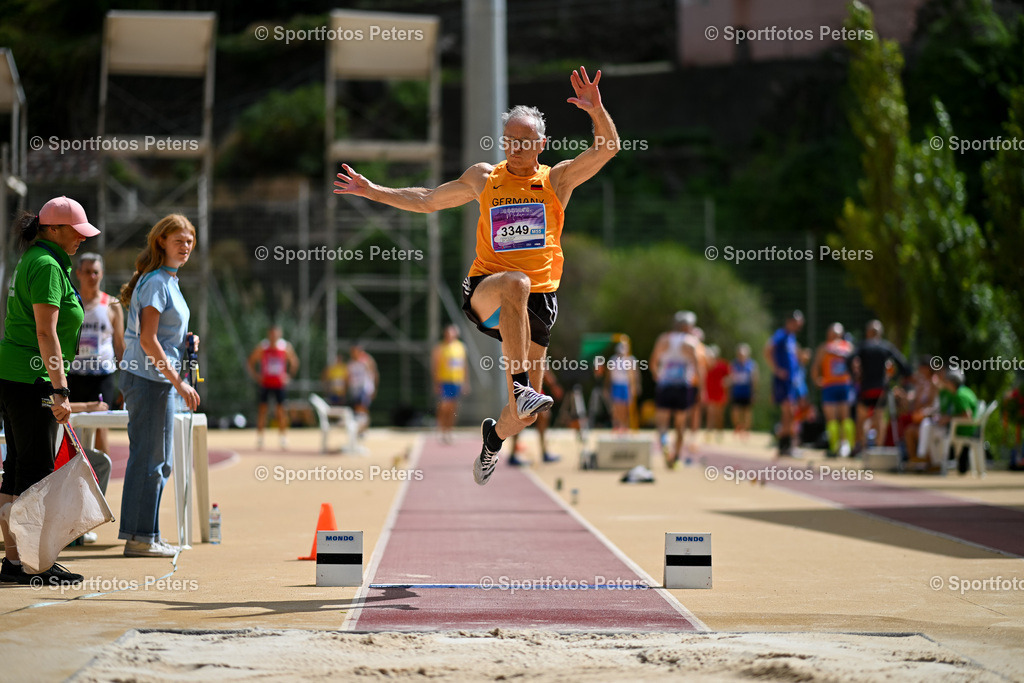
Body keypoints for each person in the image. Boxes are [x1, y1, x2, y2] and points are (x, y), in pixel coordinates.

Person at [335, 66, 619, 485]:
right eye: (509, 141)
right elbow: (429, 200)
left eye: (524, 142)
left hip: (540, 303)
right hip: (487, 290)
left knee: (522, 416)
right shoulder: (485, 178)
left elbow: (607, 147)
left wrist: (596, 110)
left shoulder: (557, 180)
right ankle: (520, 385)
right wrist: (374, 190)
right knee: (514, 284)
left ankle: (493, 438)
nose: (516, 148)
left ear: (541, 144)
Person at [0, 196, 99, 585]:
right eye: (76, 231)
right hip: (32, 377)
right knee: (38, 472)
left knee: (19, 469)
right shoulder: (46, 265)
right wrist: (60, 388)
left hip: (16, 375)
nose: (82, 239)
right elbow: (46, 332)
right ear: (54, 229)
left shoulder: (37, 260)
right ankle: (33, 564)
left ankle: (15, 560)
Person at [118, 214, 200, 558]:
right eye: (179, 240)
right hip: (149, 378)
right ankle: (139, 538)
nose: (186, 247)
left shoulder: (168, 280)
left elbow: (161, 336)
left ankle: (146, 534)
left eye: (190, 242)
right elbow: (149, 341)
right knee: (150, 460)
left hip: (155, 378)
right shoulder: (155, 282)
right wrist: (180, 383)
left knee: (158, 460)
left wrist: (185, 341)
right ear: (161, 242)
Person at [67, 252, 125, 455]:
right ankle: (74, 482)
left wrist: (126, 381)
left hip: (102, 377)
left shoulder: (112, 304)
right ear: (78, 274)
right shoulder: (69, 302)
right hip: (73, 375)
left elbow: (119, 345)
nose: (92, 276)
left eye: (96, 272)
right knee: (70, 429)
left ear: (101, 275)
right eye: (87, 272)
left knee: (101, 428)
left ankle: (101, 481)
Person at [650, 311, 704, 468]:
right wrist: (700, 389)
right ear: (687, 326)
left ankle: (665, 446)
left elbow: (653, 362)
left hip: (665, 385)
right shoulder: (691, 342)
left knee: (662, 423)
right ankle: (677, 456)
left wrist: (658, 376)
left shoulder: (663, 340)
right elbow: (697, 367)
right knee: (680, 425)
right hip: (683, 386)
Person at [847, 320, 909, 452]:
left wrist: (854, 376)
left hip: (866, 388)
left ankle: (862, 448)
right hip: (881, 389)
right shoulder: (886, 347)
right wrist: (896, 379)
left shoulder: (862, 346)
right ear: (880, 333)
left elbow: (849, 359)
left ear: (868, 332)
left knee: (862, 418)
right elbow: (903, 365)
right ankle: (879, 448)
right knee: (880, 418)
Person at [248, 325, 300, 450]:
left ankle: (283, 438)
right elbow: (251, 361)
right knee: (262, 411)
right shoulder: (263, 347)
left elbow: (294, 362)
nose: (273, 336)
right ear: (268, 334)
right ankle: (260, 438)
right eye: (271, 334)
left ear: (279, 334)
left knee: (281, 411)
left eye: (275, 334)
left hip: (279, 384)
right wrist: (256, 376)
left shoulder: (285, 347)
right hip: (265, 383)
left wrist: (288, 376)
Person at [810, 323, 855, 457]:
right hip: (829, 386)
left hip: (844, 386)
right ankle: (834, 447)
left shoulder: (847, 347)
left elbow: (854, 363)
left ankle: (849, 446)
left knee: (845, 417)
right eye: (832, 333)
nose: (835, 336)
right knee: (831, 419)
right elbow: (816, 366)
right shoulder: (823, 348)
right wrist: (817, 379)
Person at [764, 310, 804, 457]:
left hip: (791, 381)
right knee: (789, 411)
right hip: (783, 381)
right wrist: (777, 370)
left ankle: (785, 445)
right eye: (797, 323)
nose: (798, 326)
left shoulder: (791, 338)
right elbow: (767, 350)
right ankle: (785, 445)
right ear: (790, 321)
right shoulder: (781, 335)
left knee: (790, 413)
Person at [926, 369, 978, 471]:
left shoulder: (960, 395)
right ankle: (939, 463)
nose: (945, 383)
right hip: (962, 428)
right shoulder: (957, 393)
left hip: (964, 430)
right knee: (935, 430)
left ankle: (939, 464)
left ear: (952, 382)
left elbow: (967, 415)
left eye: (946, 381)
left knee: (935, 432)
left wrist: (948, 419)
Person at [509, 368, 563, 465]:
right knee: (523, 418)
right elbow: (544, 369)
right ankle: (514, 454)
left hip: (530, 385)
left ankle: (543, 452)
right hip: (528, 386)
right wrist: (553, 386)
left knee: (542, 416)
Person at [432, 325, 468, 443]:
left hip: (456, 381)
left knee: (453, 408)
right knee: (444, 406)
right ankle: (441, 429)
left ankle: (449, 430)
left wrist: (465, 382)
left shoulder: (461, 347)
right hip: (444, 381)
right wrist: (436, 383)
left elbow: (464, 366)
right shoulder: (440, 348)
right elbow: (435, 367)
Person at [602, 341, 640, 432]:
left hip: (626, 385)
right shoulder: (613, 360)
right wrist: (607, 387)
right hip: (616, 384)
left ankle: (624, 426)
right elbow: (609, 376)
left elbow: (635, 374)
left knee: (626, 407)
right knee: (617, 407)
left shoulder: (631, 359)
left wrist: (635, 386)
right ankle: (617, 425)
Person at [347, 344, 379, 436]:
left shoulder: (367, 360)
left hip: (365, 389)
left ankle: (363, 430)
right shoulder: (351, 363)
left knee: (362, 409)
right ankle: (361, 429)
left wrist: (374, 389)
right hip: (354, 390)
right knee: (358, 410)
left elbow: (375, 374)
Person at [728, 343, 757, 440]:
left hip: (747, 392)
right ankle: (738, 426)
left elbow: (754, 380)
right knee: (735, 411)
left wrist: (754, 393)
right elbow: (731, 378)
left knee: (747, 412)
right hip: (737, 392)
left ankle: (746, 430)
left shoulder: (751, 365)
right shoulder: (734, 364)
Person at [703, 344, 730, 442]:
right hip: (710, 393)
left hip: (720, 393)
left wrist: (726, 381)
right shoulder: (706, 366)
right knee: (710, 414)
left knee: (719, 415)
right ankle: (709, 433)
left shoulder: (723, 365)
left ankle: (719, 433)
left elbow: (730, 377)